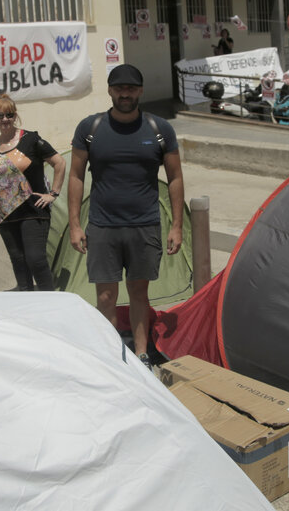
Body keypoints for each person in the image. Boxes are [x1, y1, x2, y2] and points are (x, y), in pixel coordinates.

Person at [67, 64, 184, 369]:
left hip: (144, 226)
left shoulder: (159, 129)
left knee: (139, 294)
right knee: (105, 296)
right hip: (103, 227)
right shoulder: (89, 129)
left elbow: (175, 177)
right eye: (119, 88)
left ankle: (142, 355)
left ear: (140, 91)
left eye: (131, 88)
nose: (125, 93)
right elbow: (76, 176)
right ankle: (109, 356)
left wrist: (177, 226)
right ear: (109, 90)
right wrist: (76, 224)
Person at [0, 94, 66, 291]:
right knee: (18, 260)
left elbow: (59, 163)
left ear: (15, 116)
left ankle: (50, 301)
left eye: (9, 115)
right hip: (4, 214)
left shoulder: (31, 139)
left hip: (33, 210)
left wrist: (53, 193)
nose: (5, 120)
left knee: (35, 259)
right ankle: (26, 302)